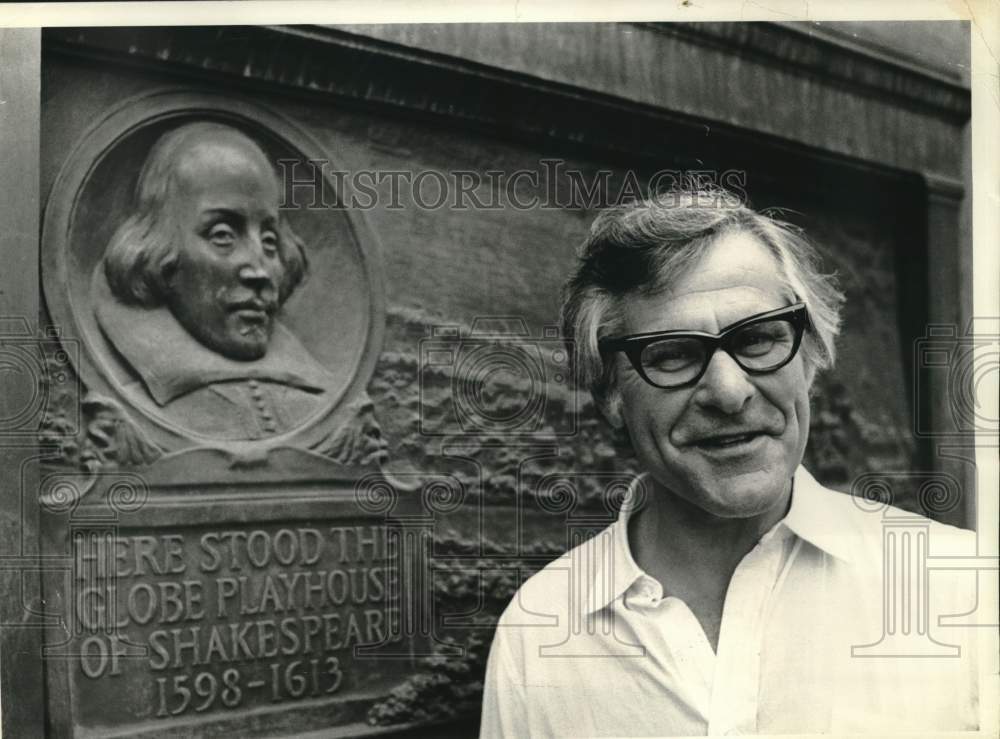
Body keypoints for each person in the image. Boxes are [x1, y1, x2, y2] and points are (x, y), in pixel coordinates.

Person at [480, 189, 980, 736]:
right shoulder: (539, 634)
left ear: (810, 357)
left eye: (760, 338)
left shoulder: (965, 590)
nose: (729, 391)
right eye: (672, 353)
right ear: (610, 394)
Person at [93, 122, 342, 440]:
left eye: (269, 239)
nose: (260, 270)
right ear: (158, 254)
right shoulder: (129, 409)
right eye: (222, 235)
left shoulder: (314, 398)